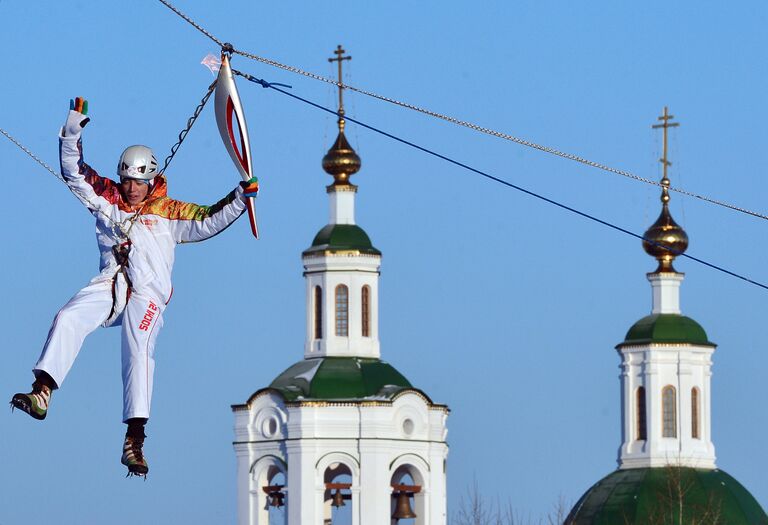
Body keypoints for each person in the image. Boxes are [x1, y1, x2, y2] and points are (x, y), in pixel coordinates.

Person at [10, 97, 260, 477]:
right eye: (126, 180)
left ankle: (135, 438)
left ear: (150, 180)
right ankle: (42, 391)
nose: (130, 188)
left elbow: (209, 218)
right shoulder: (107, 200)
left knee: (136, 344)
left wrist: (241, 196)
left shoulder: (168, 213)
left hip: (147, 296)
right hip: (111, 285)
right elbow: (74, 171)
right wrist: (74, 126)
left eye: (137, 182)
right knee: (68, 316)